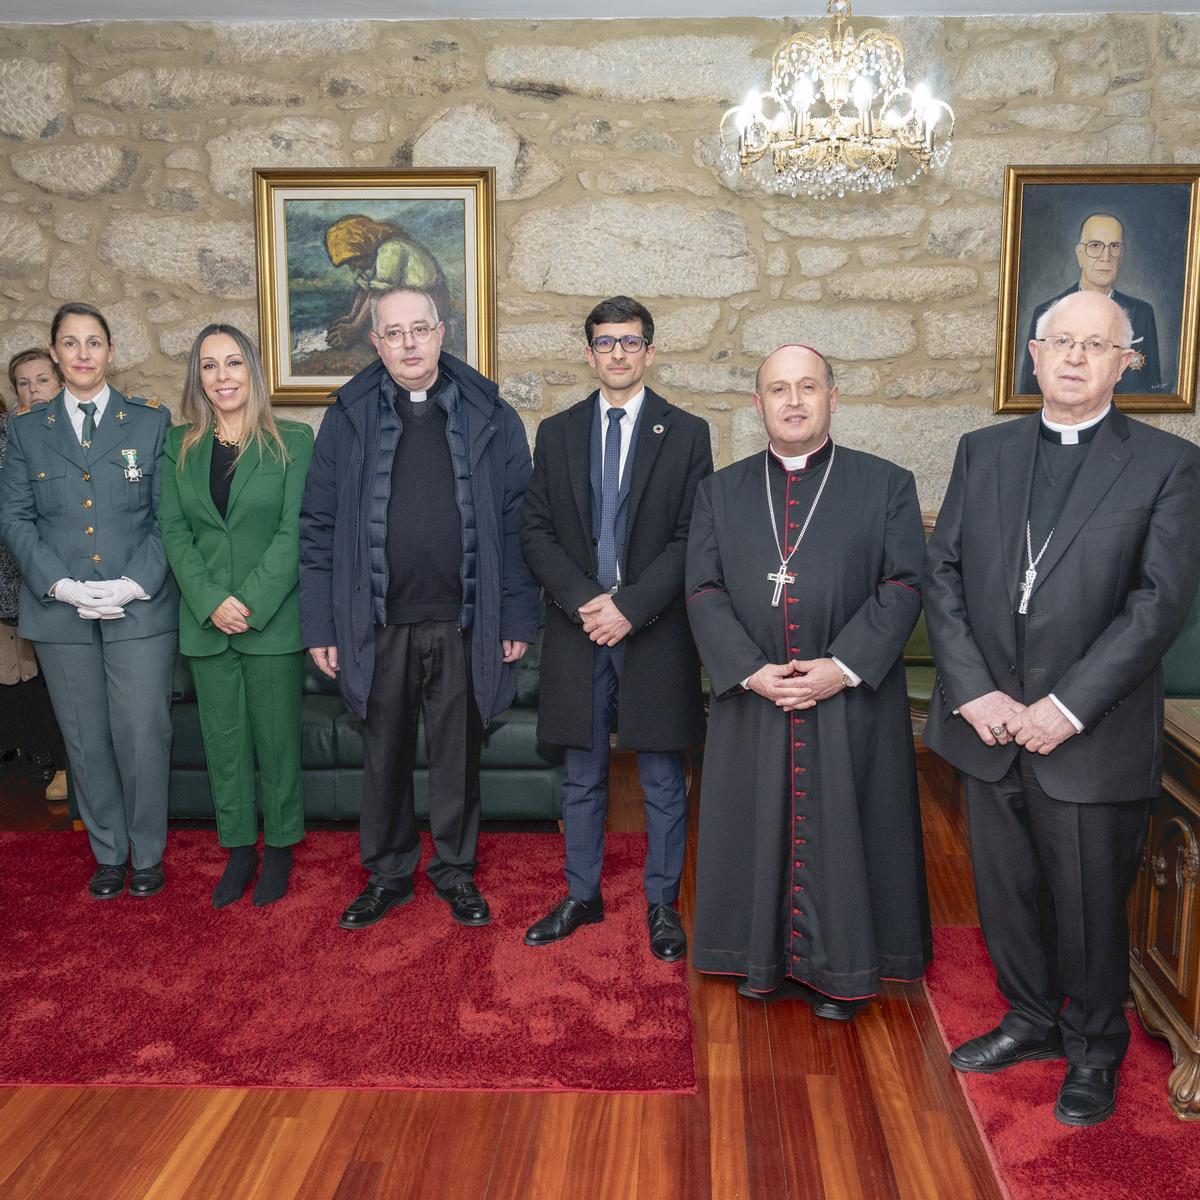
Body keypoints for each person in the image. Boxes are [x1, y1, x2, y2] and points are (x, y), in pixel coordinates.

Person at [924, 290, 1200, 1125]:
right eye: (1060, 342)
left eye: (1096, 345)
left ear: (1128, 361)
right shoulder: (984, 451)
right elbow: (943, 575)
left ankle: (1093, 1049)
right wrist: (976, 692)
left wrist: (1065, 708)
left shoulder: (1167, 464)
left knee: (1086, 905)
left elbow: (1158, 606)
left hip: (1089, 732)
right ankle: (1031, 1020)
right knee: (1004, 892)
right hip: (989, 725)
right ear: (1034, 356)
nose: (1075, 358)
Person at [685, 344, 930, 1019]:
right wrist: (751, 671)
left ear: (832, 396)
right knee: (757, 818)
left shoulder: (886, 484)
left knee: (849, 825)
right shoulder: (720, 491)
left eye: (808, 387)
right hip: (755, 696)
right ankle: (756, 959)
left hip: (849, 698)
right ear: (758, 403)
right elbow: (703, 589)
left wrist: (842, 667)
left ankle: (845, 969)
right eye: (778, 389)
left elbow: (906, 582)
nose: (793, 401)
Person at [300, 285, 538, 931]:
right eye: (393, 332)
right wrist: (321, 625)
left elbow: (520, 524)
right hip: (375, 621)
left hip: (466, 619)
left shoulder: (491, 414)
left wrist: (517, 616)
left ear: (441, 333)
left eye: (419, 329)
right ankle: (388, 875)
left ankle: (456, 873)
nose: (408, 343)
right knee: (384, 759)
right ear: (375, 342)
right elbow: (318, 528)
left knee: (459, 759)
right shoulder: (346, 418)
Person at [520, 296, 712, 961]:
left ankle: (663, 904)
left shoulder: (687, 433)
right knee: (582, 775)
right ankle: (582, 894)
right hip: (578, 630)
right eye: (606, 343)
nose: (619, 354)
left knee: (662, 774)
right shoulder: (558, 431)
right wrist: (586, 604)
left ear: (650, 351)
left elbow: (694, 538)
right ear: (589, 352)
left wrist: (630, 606)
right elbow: (537, 533)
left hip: (653, 629)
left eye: (631, 342)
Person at [0, 302, 178, 899]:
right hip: (60, 609)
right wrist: (61, 584)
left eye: (94, 342)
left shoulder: (150, 422)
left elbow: (168, 517)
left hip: (138, 606)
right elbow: (15, 517)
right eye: (70, 344)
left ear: (110, 351)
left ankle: (147, 854)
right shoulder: (26, 430)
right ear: (55, 353)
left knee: (143, 731)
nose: (82, 354)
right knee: (84, 735)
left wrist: (131, 583)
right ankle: (109, 852)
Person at [157, 325, 314, 908]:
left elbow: (294, 531)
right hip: (206, 622)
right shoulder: (179, 445)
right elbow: (174, 531)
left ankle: (279, 850)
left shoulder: (292, 441)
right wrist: (209, 601)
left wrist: (248, 602)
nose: (222, 377)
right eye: (208, 366)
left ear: (252, 370)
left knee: (276, 746)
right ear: (197, 378)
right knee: (223, 746)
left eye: (233, 363)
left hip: (269, 620)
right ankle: (240, 849)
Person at [1, 350, 66, 780]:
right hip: (14, 570)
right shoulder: (7, 436)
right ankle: (42, 755)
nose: (33, 390)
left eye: (42, 380)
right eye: (23, 384)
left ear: (59, 382)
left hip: (69, 572)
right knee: (19, 669)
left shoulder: (73, 427)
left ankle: (60, 762)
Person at [1019, 212, 1162, 395]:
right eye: (1095, 246)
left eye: (1115, 246)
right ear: (1080, 255)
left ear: (1122, 256)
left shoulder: (1142, 313)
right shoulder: (1047, 312)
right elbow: (1030, 391)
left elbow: (1152, 390)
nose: (1106, 256)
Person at [324, 216, 451, 351]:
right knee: (370, 330)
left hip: (429, 300)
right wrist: (352, 317)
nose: (352, 267)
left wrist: (354, 328)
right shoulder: (373, 258)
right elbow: (365, 290)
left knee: (371, 336)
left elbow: (377, 293)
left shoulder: (390, 250)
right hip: (409, 300)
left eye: (352, 261)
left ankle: (438, 330)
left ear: (363, 247)